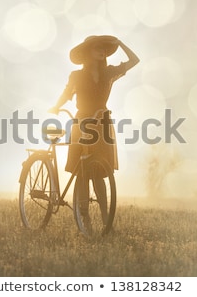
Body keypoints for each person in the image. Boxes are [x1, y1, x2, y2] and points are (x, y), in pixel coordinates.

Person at [49, 35, 139, 225]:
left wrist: (120, 43)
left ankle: (106, 217)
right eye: (97, 47)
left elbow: (134, 60)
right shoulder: (77, 75)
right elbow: (67, 93)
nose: (102, 50)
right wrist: (56, 107)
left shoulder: (109, 73)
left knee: (100, 171)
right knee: (82, 171)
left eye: (104, 48)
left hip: (102, 121)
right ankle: (85, 217)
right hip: (82, 121)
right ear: (88, 52)